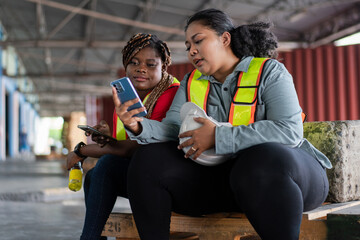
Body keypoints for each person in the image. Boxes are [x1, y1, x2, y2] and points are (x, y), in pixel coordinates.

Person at [114, 9, 332, 240]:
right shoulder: (190, 82)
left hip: (287, 179)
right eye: (188, 46)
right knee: (149, 158)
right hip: (229, 182)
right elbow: (172, 128)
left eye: (198, 41)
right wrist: (138, 126)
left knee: (261, 157)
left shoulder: (269, 71)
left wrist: (218, 136)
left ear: (225, 39)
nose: (192, 51)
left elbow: (289, 131)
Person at [66, 33, 180, 240]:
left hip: (172, 179)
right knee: (94, 176)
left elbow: (134, 148)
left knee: (107, 166)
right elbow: (125, 145)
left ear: (163, 67)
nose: (141, 68)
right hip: (144, 172)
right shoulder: (128, 96)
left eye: (150, 64)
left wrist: (81, 151)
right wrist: (108, 137)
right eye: (133, 62)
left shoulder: (172, 93)